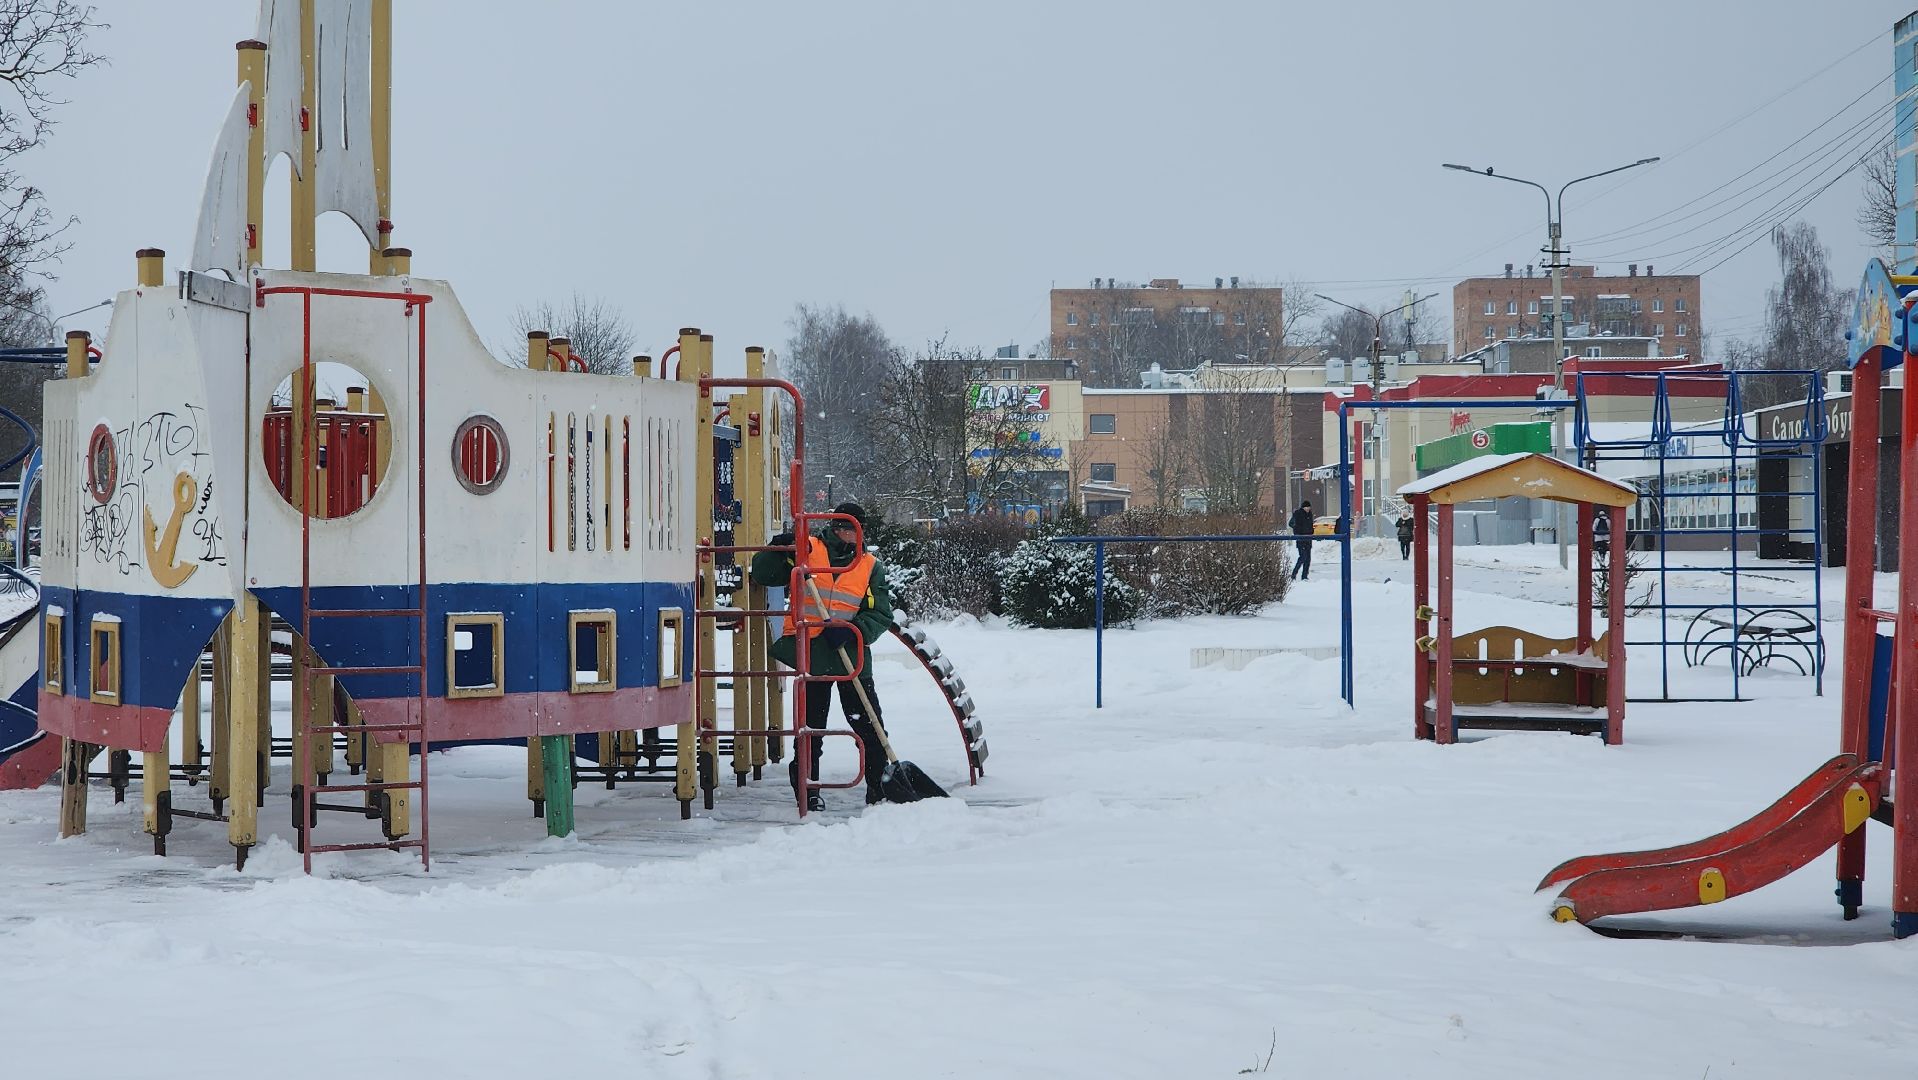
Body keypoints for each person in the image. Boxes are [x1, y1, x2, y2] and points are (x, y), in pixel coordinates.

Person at [752, 501, 892, 811]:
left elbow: (881, 612)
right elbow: (763, 574)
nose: (848, 533)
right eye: (843, 526)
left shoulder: (869, 566)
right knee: (811, 728)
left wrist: (854, 628)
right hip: (811, 653)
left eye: (854, 528)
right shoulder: (807, 550)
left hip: (849, 654)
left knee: (869, 725)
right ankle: (807, 786)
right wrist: (775, 551)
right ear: (833, 525)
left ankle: (879, 790)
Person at [1288, 500, 1315, 580]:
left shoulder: (1310, 514)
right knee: (1303, 557)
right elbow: (1291, 523)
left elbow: (1310, 524)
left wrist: (1311, 531)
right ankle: (1294, 574)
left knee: (1308, 559)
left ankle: (1304, 576)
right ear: (1303, 507)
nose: (1308, 509)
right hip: (1301, 539)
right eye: (1306, 507)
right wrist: (1298, 530)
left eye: (1309, 507)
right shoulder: (1298, 514)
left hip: (1308, 538)